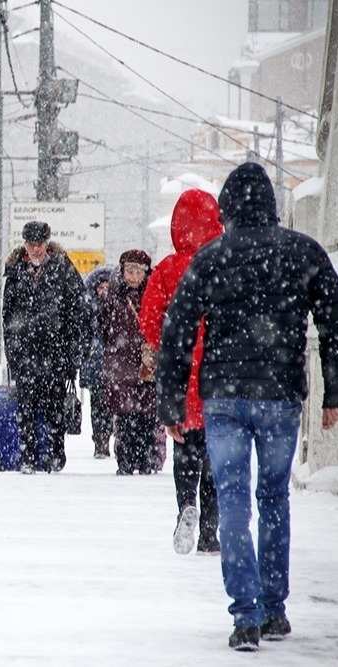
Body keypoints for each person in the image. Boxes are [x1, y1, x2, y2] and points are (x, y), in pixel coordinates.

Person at [157, 162, 338, 652]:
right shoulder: (302, 252)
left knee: (233, 499)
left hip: (223, 397)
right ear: (273, 206)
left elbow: (178, 326)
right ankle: (273, 608)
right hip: (280, 396)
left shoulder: (211, 257)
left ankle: (244, 615)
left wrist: (171, 401)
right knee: (273, 498)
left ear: (226, 210)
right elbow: (335, 316)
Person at [138, 189, 223, 556]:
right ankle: (209, 532)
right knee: (217, 461)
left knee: (185, 452)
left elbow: (149, 319)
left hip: (182, 376)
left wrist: (170, 344)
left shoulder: (169, 269)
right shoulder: (223, 264)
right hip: (219, 378)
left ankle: (185, 506)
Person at [1, 220, 91, 473]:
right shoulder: (16, 272)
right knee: (26, 407)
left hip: (56, 352)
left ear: (47, 243)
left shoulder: (63, 268)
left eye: (39, 244)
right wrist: (12, 352)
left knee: (54, 406)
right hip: (25, 352)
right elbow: (7, 317)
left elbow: (80, 309)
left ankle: (55, 455)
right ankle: (28, 456)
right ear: (25, 245)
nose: (35, 250)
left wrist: (76, 348)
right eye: (31, 245)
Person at [96, 249, 157, 475]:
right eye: (129, 271)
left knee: (146, 416)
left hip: (146, 363)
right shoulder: (112, 298)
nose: (133, 276)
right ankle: (125, 461)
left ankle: (145, 461)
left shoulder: (153, 296)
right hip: (120, 365)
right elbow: (103, 327)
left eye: (138, 272)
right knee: (124, 417)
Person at [80, 264, 116, 459]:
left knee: (112, 405)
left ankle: (109, 437)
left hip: (113, 365)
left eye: (106, 287)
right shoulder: (88, 309)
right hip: (96, 366)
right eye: (100, 288)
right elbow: (83, 335)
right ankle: (100, 441)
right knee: (98, 405)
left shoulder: (116, 308)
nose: (103, 291)